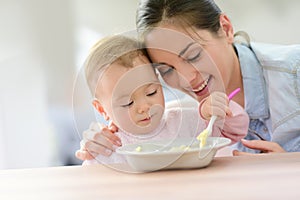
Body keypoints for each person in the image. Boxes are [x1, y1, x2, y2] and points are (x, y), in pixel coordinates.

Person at [134, 0, 300, 154]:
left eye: (193, 55)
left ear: (226, 29)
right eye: (167, 70)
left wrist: (288, 166)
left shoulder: (294, 72)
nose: (187, 78)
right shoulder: (181, 119)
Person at [78, 34, 248, 164]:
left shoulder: (186, 120)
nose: (144, 107)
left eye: (151, 92)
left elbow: (237, 130)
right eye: (127, 103)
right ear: (101, 110)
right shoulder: (106, 147)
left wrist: (218, 109)